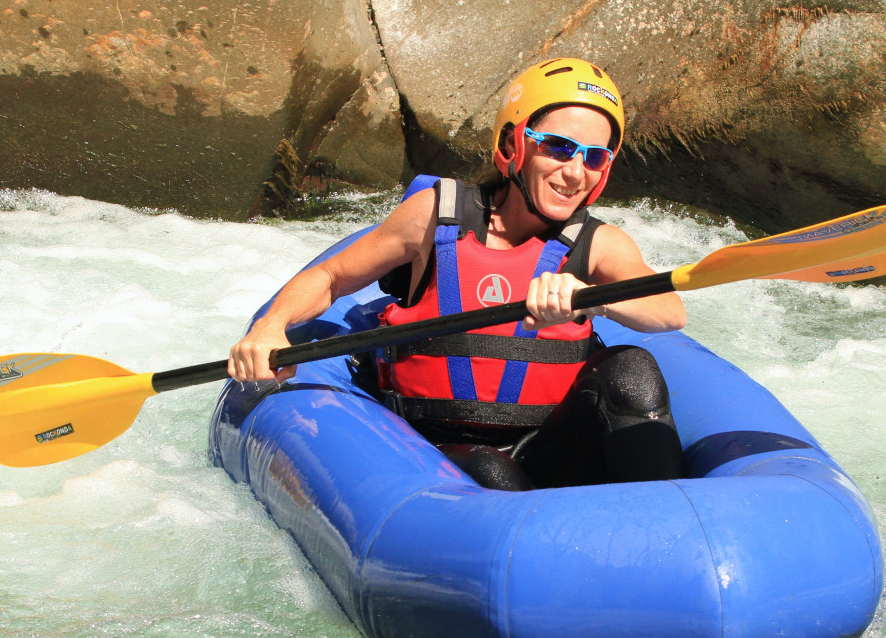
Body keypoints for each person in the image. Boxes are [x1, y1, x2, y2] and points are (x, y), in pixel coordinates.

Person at [229, 58, 688, 490]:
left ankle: (671, 522)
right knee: (491, 470)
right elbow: (331, 276)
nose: (574, 172)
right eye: (558, 147)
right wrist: (272, 327)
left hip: (551, 443)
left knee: (634, 370)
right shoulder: (433, 217)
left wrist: (593, 296)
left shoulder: (600, 243)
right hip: (442, 448)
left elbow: (670, 311)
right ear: (513, 145)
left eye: (593, 157)